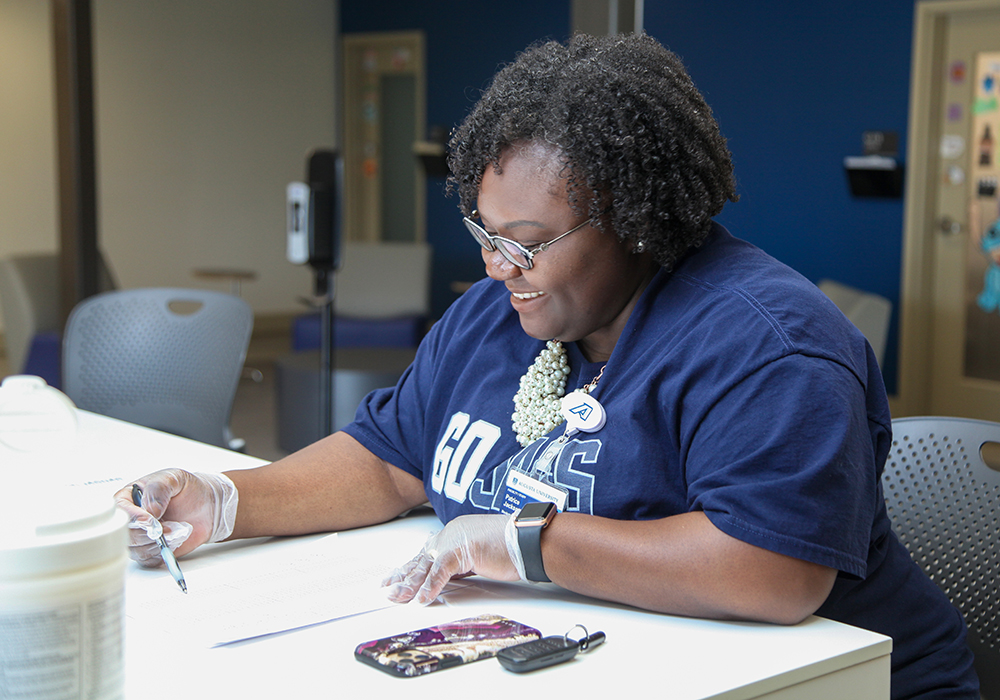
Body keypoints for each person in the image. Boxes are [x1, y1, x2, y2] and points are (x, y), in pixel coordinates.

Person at [115, 33, 978, 698]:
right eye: (484, 235)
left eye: (525, 245)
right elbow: (390, 460)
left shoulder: (767, 345)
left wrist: (528, 542)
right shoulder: (499, 314)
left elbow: (772, 571)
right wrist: (225, 501)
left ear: (638, 219)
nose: (497, 268)